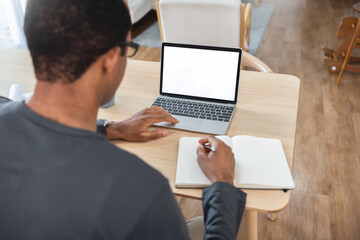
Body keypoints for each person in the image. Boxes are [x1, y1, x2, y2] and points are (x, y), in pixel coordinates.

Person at [0, 0, 247, 239]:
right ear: (109, 58)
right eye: (128, 48)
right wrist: (222, 182)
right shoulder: (140, 191)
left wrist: (112, 128)